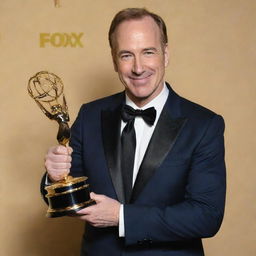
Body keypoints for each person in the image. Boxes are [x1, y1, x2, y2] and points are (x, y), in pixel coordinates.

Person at [42, 8, 226, 256]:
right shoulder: (90, 115)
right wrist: (54, 178)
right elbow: (65, 198)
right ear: (114, 60)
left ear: (166, 54)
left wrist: (121, 216)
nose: (138, 68)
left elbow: (206, 216)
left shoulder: (204, 125)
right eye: (126, 55)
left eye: (148, 52)